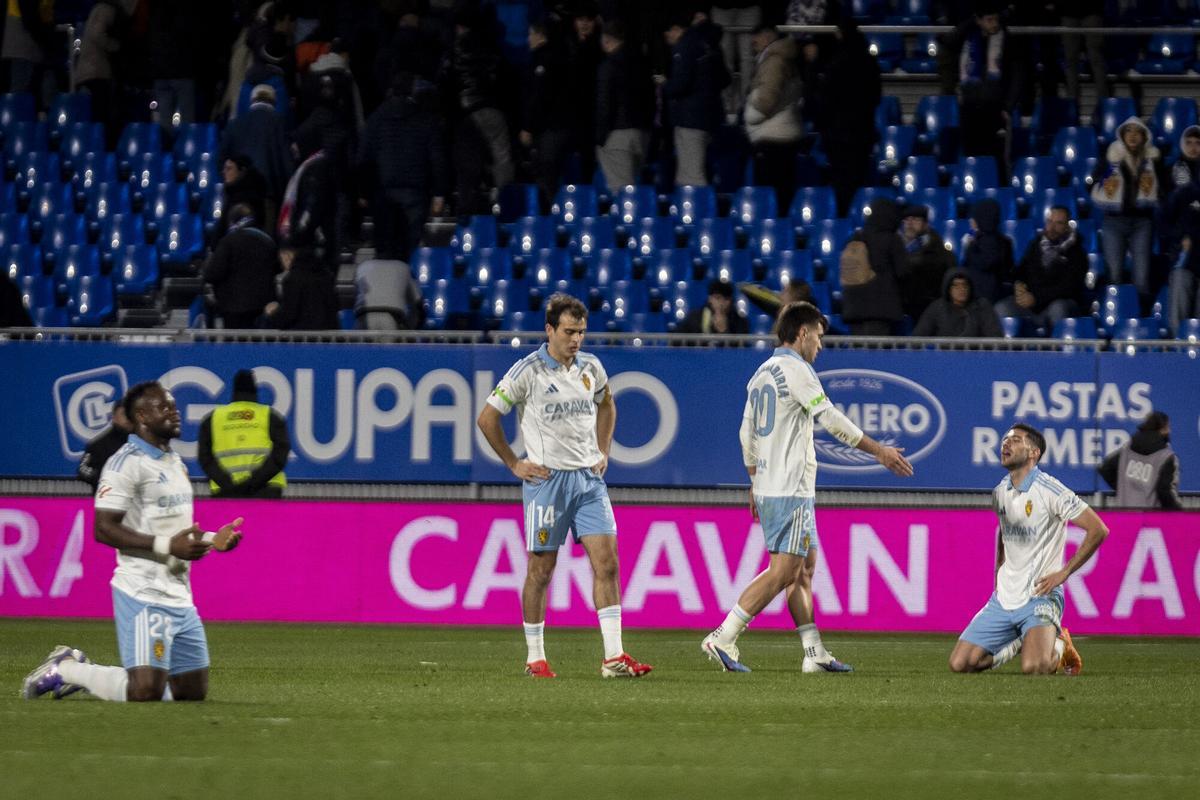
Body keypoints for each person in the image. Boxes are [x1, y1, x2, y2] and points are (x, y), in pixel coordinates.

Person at [701, 301, 914, 673]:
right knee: (784, 570)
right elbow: (829, 418)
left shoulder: (762, 373)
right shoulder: (796, 370)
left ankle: (813, 653)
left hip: (771, 484)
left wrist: (754, 480)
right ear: (801, 334)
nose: (820, 345)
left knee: (804, 569)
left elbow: (745, 433)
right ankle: (723, 636)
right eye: (817, 336)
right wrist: (878, 450)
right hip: (790, 487)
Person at [22, 382, 244, 702]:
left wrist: (213, 539)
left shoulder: (174, 463)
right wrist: (168, 548)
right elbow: (104, 528)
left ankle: (78, 669)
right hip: (142, 591)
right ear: (141, 416)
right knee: (145, 691)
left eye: (174, 406)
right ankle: (68, 669)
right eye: (164, 407)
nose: (175, 412)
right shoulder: (124, 463)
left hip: (179, 593)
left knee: (191, 692)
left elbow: (179, 532)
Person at [476, 293, 652, 679]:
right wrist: (513, 463)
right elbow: (487, 417)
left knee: (608, 564)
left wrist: (603, 450)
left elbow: (608, 403)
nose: (576, 340)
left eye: (582, 332)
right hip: (547, 481)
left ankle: (613, 658)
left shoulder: (591, 366)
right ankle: (535, 657)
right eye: (569, 332)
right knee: (542, 570)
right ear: (549, 330)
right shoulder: (528, 371)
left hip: (589, 481)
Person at [949, 423, 1109, 675]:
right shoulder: (1000, 492)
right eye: (1005, 440)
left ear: (1034, 453)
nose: (1006, 444)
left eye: (1015, 440)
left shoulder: (1049, 489)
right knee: (961, 664)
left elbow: (1098, 529)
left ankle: (1059, 646)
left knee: (1034, 668)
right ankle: (1017, 644)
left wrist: (1064, 573)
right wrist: (998, 575)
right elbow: (1004, 533)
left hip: (1040, 596)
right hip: (1004, 598)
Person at [1091, 117, 1163, 299]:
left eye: (1137, 132)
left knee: (1141, 277)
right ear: (1122, 135)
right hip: (1114, 222)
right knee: (1114, 274)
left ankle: (1141, 319)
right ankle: (1115, 316)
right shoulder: (1110, 158)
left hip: (1142, 222)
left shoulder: (1153, 160)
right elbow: (1093, 183)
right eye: (1128, 131)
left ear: (1145, 137)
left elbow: (1164, 189)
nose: (1132, 136)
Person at [661, 9, 730, 187]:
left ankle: (696, 212)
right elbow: (725, 79)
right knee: (700, 171)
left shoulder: (686, 46)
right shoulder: (710, 45)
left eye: (667, 32)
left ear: (676, 29)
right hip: (711, 117)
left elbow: (681, 83)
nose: (666, 37)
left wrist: (664, 86)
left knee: (691, 177)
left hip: (690, 118)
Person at [198, 370, 290, 499]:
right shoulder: (271, 416)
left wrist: (228, 484)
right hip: (266, 490)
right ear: (255, 389)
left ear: (234, 390)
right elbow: (280, 455)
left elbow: (205, 458)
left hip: (225, 491)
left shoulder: (213, 418)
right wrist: (252, 483)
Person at [995, 205, 1088, 331]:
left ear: (1067, 227)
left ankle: (1060, 348)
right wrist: (1018, 286)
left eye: (1058, 223)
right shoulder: (1036, 245)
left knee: (1059, 308)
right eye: (1050, 221)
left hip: (1058, 304)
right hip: (1032, 306)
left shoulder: (1077, 252)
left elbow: (1068, 288)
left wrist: (1036, 298)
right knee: (1002, 308)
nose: (1052, 227)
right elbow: (1020, 272)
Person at [744, 24, 803, 212]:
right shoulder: (785, 58)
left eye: (758, 36)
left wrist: (751, 112)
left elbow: (767, 100)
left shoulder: (774, 61)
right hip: (785, 133)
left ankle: (773, 233)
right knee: (783, 192)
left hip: (772, 137)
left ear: (769, 37)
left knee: (771, 197)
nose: (754, 41)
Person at [594, 19, 653, 194]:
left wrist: (599, 138)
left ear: (606, 39)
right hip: (642, 133)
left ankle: (627, 221)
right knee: (632, 189)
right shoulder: (642, 63)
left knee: (622, 193)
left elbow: (605, 104)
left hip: (617, 135)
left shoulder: (608, 66)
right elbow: (652, 100)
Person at [202, 203, 280, 329]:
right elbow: (277, 269)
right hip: (263, 307)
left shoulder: (228, 242)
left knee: (236, 347)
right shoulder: (268, 241)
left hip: (234, 308)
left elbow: (213, 273)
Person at [840, 197, 909, 336]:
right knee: (877, 354)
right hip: (881, 310)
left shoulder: (855, 238)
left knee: (859, 354)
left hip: (854, 309)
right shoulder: (892, 239)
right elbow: (903, 272)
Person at [1098, 411, 1183, 510]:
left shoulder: (1127, 449)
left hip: (1123, 514)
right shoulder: (1166, 457)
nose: (1170, 431)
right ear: (1163, 429)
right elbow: (1164, 491)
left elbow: (1105, 469)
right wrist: (1179, 513)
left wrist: (1123, 489)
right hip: (1151, 519)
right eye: (1168, 427)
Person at [263, 242, 340, 330]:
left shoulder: (293, 278)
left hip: (304, 337)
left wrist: (272, 314)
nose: (282, 265)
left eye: (281, 259)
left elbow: (289, 314)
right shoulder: (326, 274)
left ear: (287, 256)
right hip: (330, 336)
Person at [899, 204, 957, 320]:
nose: (910, 224)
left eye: (916, 219)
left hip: (930, 311)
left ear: (926, 225)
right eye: (906, 220)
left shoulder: (941, 253)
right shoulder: (895, 250)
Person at [912, 269, 1003, 337]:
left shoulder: (982, 306)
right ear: (948, 289)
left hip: (976, 359)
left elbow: (995, 339)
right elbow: (918, 337)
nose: (961, 289)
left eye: (965, 285)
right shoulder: (937, 308)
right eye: (956, 285)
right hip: (945, 359)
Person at [959, 197, 1013, 303]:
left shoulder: (989, 241)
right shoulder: (1002, 240)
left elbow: (985, 263)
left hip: (985, 298)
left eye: (975, 217)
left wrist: (969, 247)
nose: (971, 220)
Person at [354, 253, 425, 330]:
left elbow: (356, 294)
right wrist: (411, 328)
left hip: (364, 315)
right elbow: (418, 305)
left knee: (360, 340)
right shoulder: (403, 267)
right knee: (390, 340)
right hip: (392, 314)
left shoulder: (363, 266)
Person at [76, 395, 133, 490]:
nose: (128, 418)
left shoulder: (146, 442)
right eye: (124, 414)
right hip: (109, 499)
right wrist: (104, 478)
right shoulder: (98, 445)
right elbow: (82, 469)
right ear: (114, 417)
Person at [677, 278, 749, 335]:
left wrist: (724, 331)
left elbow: (741, 350)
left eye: (726, 299)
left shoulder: (740, 322)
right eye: (717, 298)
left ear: (731, 301)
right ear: (710, 299)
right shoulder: (695, 318)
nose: (721, 303)